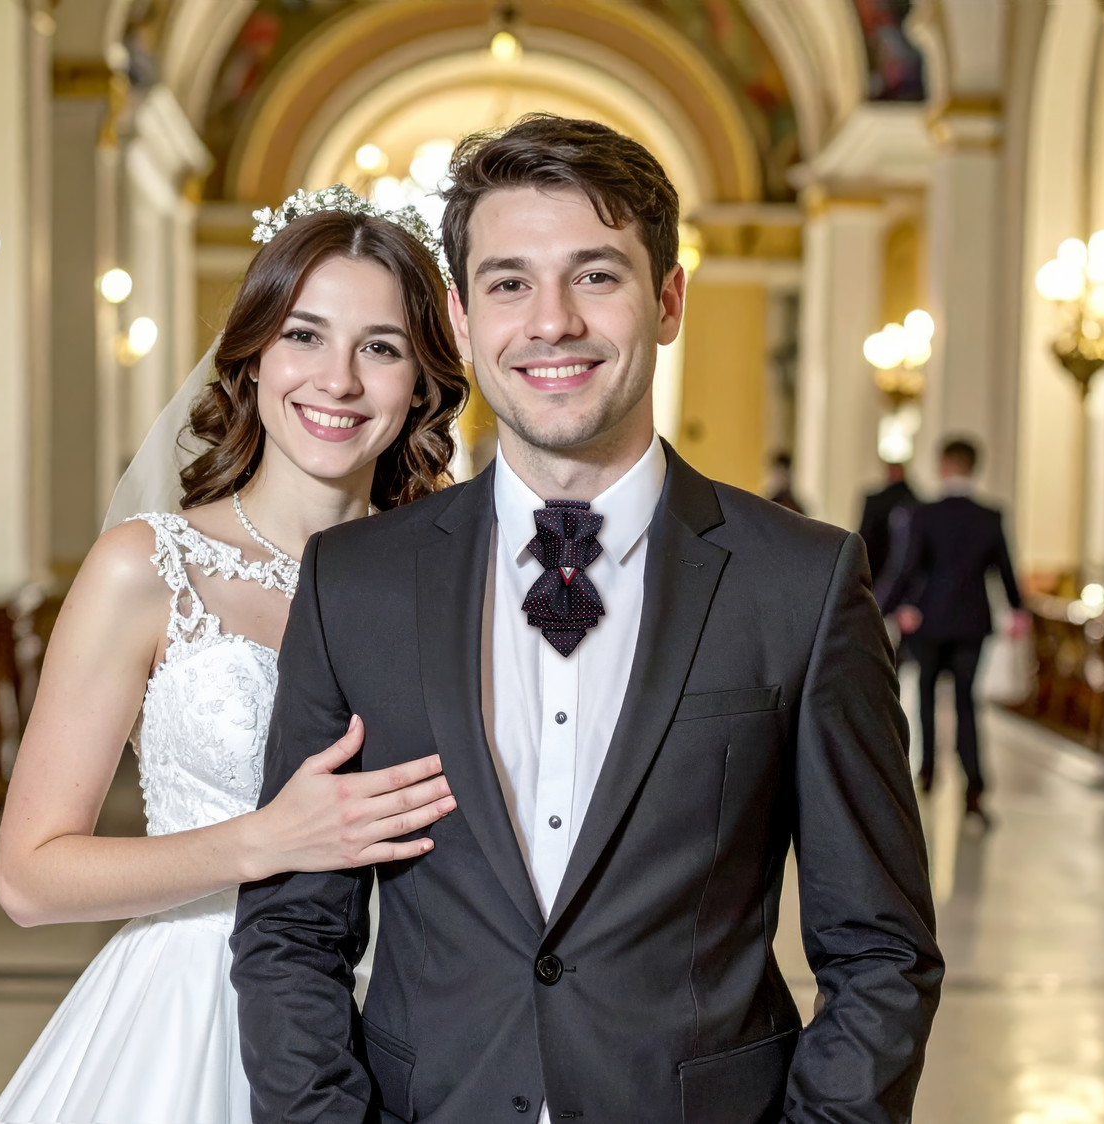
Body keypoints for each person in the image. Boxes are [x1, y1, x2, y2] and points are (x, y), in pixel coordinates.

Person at [232, 115, 941, 1124]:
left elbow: (879, 947)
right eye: (508, 281)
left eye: (595, 276)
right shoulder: (357, 581)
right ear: (462, 319)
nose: (550, 321)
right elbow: (291, 932)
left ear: (666, 300)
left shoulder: (802, 581)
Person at [0, 190, 469, 1124]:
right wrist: (265, 843)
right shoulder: (147, 567)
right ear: (249, 359)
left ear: (421, 380)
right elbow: (28, 877)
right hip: (194, 1011)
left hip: (414, 1019)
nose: (336, 379)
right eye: (304, 335)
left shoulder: (448, 583)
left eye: (379, 346)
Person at [880, 436, 1027, 823]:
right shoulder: (990, 515)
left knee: (927, 695)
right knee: (966, 702)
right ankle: (974, 787)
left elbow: (908, 568)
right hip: (972, 622)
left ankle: (928, 772)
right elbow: (1005, 571)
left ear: (944, 466)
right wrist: (1017, 610)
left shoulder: (925, 513)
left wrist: (884, 608)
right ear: (974, 467)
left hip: (929, 620)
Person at [858, 459, 921, 595]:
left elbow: (865, 539)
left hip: (877, 573)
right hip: (907, 581)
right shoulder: (917, 502)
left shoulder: (876, 501)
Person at [765, 448, 805, 513]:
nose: (781, 478)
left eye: (784, 475)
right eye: (778, 474)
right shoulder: (767, 504)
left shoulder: (794, 506)